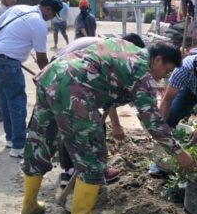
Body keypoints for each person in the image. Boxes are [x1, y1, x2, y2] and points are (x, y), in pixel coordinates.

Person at [20, 40, 195, 214]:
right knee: (92, 154)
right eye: (167, 70)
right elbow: (153, 122)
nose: (164, 77)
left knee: (41, 143)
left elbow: (108, 83)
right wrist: (179, 152)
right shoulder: (142, 72)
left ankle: (29, 206)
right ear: (158, 60)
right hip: (75, 89)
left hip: (51, 77)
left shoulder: (125, 48)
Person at [52, 33, 146, 188]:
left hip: (64, 71)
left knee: (77, 123)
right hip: (66, 73)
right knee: (78, 125)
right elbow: (109, 96)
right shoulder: (108, 55)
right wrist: (116, 125)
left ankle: (79, 169)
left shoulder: (109, 49)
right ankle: (77, 171)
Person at [0, 0, 62, 158]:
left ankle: (12, 140)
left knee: (7, 102)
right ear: (48, 9)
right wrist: (47, 77)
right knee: (17, 103)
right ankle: (19, 147)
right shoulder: (39, 24)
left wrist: (11, 44)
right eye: (52, 14)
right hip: (7, 62)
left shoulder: (19, 8)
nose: (51, 19)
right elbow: (42, 57)